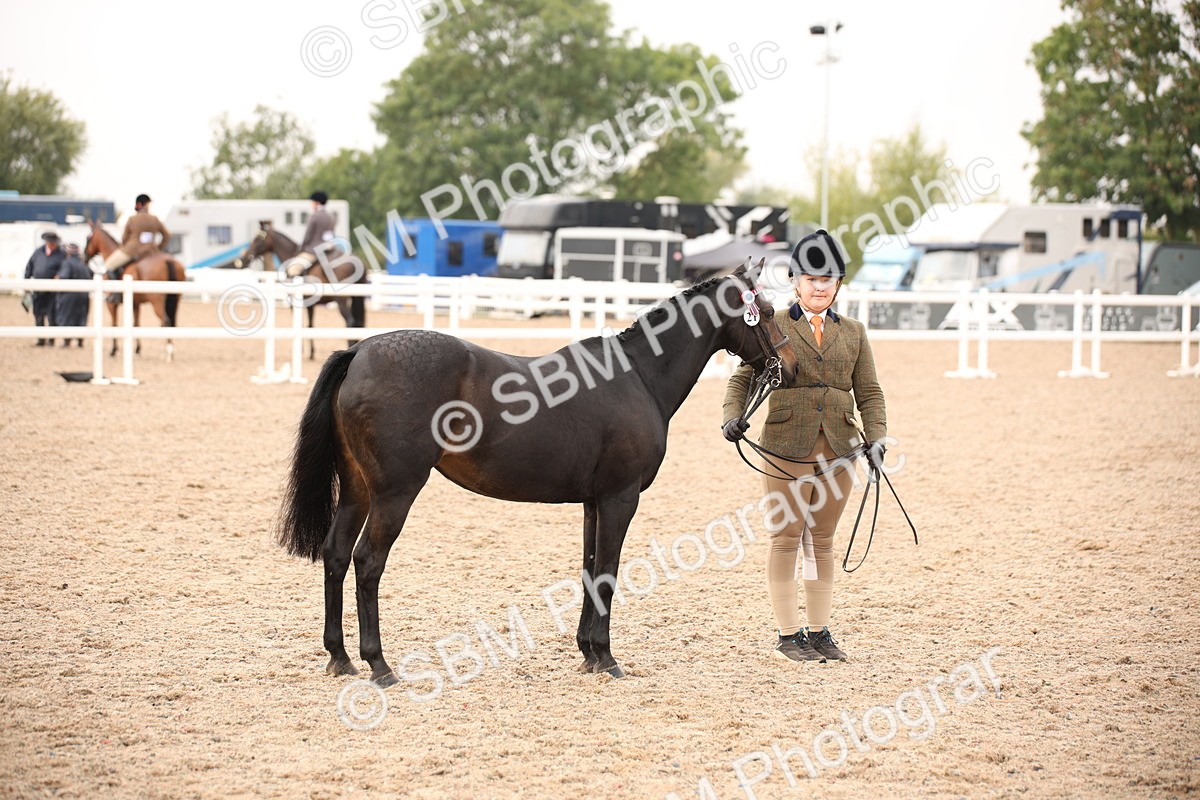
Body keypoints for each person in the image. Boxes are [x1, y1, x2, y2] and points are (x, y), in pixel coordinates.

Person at [721, 229, 887, 664]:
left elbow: (869, 391)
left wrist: (877, 437)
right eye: (811, 278)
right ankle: (787, 635)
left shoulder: (854, 332)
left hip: (840, 448)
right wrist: (731, 417)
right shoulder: (778, 327)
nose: (819, 286)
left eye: (827, 279)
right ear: (795, 281)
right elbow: (742, 377)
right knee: (786, 537)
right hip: (784, 445)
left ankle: (819, 630)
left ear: (838, 285)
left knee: (822, 541)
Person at [103, 194, 170, 277]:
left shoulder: (132, 219)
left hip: (131, 251)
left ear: (138, 204)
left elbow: (124, 238)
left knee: (108, 265)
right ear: (147, 204)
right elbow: (167, 235)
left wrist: (125, 245)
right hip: (151, 251)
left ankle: (116, 289)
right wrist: (158, 248)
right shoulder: (155, 219)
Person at [24, 231, 67, 346]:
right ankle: (41, 338)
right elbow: (29, 267)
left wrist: (59, 276)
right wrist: (26, 282)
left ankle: (51, 339)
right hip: (38, 288)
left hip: (52, 291)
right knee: (38, 313)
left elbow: (65, 269)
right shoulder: (38, 252)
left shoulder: (61, 254)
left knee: (52, 314)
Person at [287, 191, 338, 277]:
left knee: (292, 269)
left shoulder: (314, 217)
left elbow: (308, 236)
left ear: (317, 203)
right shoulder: (331, 216)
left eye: (312, 202)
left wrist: (301, 249)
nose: (311, 205)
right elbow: (330, 235)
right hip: (329, 249)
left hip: (313, 251)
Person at [55, 243, 92, 347]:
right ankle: (80, 341)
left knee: (68, 316)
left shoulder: (67, 263)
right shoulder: (83, 263)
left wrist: (57, 278)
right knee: (81, 317)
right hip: (84, 295)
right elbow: (91, 275)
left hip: (70, 295)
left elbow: (64, 277)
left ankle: (67, 341)